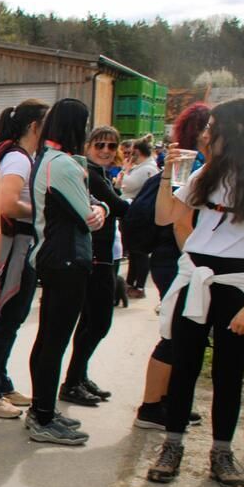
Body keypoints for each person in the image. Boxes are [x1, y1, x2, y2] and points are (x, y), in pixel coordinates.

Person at [147, 97, 244, 487]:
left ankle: (221, 453)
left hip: (239, 287)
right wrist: (166, 174)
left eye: (214, 126)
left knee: (228, 375)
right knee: (184, 366)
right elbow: (165, 216)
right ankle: (172, 446)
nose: (206, 133)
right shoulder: (207, 174)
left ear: (240, 131)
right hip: (195, 277)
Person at [24, 98, 107, 446]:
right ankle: (43, 416)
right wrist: (100, 208)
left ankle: (41, 409)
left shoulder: (51, 159)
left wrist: (98, 207)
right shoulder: (63, 165)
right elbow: (86, 215)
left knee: (48, 339)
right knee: (54, 341)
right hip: (66, 260)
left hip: (53, 258)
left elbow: (90, 209)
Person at [133, 103, 211, 430]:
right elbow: (180, 223)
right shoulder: (194, 166)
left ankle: (166, 401)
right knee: (174, 334)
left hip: (172, 257)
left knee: (179, 334)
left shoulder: (197, 163)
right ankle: (151, 406)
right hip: (177, 257)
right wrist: (194, 260)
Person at [0, 99, 48, 419]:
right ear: (35, 127)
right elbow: (5, 203)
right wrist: (43, 212)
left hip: (12, 247)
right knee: (8, 319)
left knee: (8, 318)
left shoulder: (11, 153)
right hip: (14, 248)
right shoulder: (19, 160)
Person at [59, 126, 130, 406]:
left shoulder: (101, 173)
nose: (105, 151)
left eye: (111, 147)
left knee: (90, 321)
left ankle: (78, 376)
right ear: (88, 146)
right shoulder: (88, 172)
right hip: (95, 258)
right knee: (99, 322)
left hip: (105, 256)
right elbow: (120, 208)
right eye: (100, 145)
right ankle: (72, 381)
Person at [120, 137, 160, 298]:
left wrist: (125, 170)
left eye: (131, 153)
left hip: (140, 216)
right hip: (133, 213)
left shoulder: (147, 169)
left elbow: (127, 184)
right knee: (134, 252)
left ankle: (138, 285)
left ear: (138, 152)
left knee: (139, 252)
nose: (129, 156)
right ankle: (131, 283)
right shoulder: (141, 167)